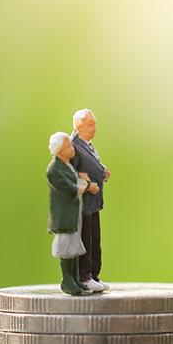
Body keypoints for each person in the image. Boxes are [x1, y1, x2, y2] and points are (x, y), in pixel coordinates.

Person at [46, 132, 98, 295]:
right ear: (60, 149)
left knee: (75, 247)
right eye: (68, 146)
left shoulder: (68, 166)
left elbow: (77, 181)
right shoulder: (54, 170)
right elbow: (70, 188)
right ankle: (67, 280)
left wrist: (83, 181)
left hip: (74, 215)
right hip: (64, 217)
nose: (72, 148)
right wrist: (86, 185)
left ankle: (75, 279)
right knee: (66, 248)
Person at [70, 108, 110, 292]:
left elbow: (91, 166)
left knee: (95, 240)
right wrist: (87, 184)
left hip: (94, 203)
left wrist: (102, 172)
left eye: (95, 124)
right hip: (83, 203)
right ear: (79, 126)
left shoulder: (89, 145)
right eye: (90, 124)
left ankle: (94, 274)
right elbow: (68, 175)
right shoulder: (72, 147)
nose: (94, 128)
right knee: (85, 239)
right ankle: (84, 276)